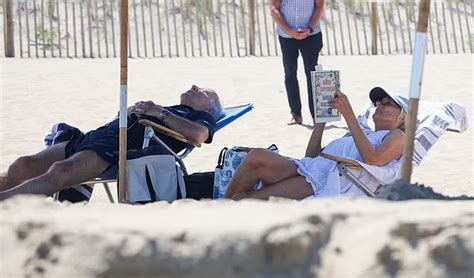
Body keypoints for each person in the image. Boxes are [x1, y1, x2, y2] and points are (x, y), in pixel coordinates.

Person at [0, 85, 223, 201]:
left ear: (209, 109)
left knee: (60, 172)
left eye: (202, 91)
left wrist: (157, 111)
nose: (194, 86)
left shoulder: (201, 118)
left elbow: (199, 135)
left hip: (117, 147)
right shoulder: (178, 110)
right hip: (97, 137)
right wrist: (129, 112)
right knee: (22, 165)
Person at [224, 87, 408, 200]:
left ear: (403, 117)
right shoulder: (362, 134)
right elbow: (312, 156)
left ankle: (217, 217)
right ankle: (220, 213)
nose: (379, 104)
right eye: (378, 102)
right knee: (256, 157)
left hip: (327, 180)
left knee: (245, 200)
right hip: (311, 168)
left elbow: (373, 159)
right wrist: (321, 121)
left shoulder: (397, 136)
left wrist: (348, 114)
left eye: (387, 102)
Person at [270, 0, 325, 125]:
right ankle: (296, 114)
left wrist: (310, 28)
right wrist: (289, 31)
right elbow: (274, 9)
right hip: (286, 36)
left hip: (311, 34)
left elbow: (320, 6)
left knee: (312, 74)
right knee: (290, 73)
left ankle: (316, 116)